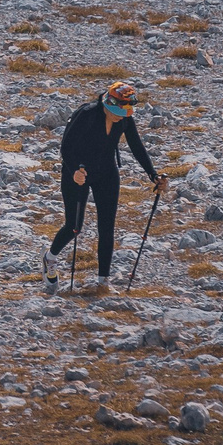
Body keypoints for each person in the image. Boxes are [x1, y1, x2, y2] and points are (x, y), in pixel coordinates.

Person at [45, 79, 165, 293]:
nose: (124, 116)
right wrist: (74, 171)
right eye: (121, 111)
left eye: (128, 111)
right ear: (109, 104)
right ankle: (50, 259)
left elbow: (136, 146)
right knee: (74, 226)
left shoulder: (124, 118)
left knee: (107, 227)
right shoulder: (88, 114)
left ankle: (103, 283)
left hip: (107, 173)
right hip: (78, 172)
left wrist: (152, 174)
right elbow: (66, 147)